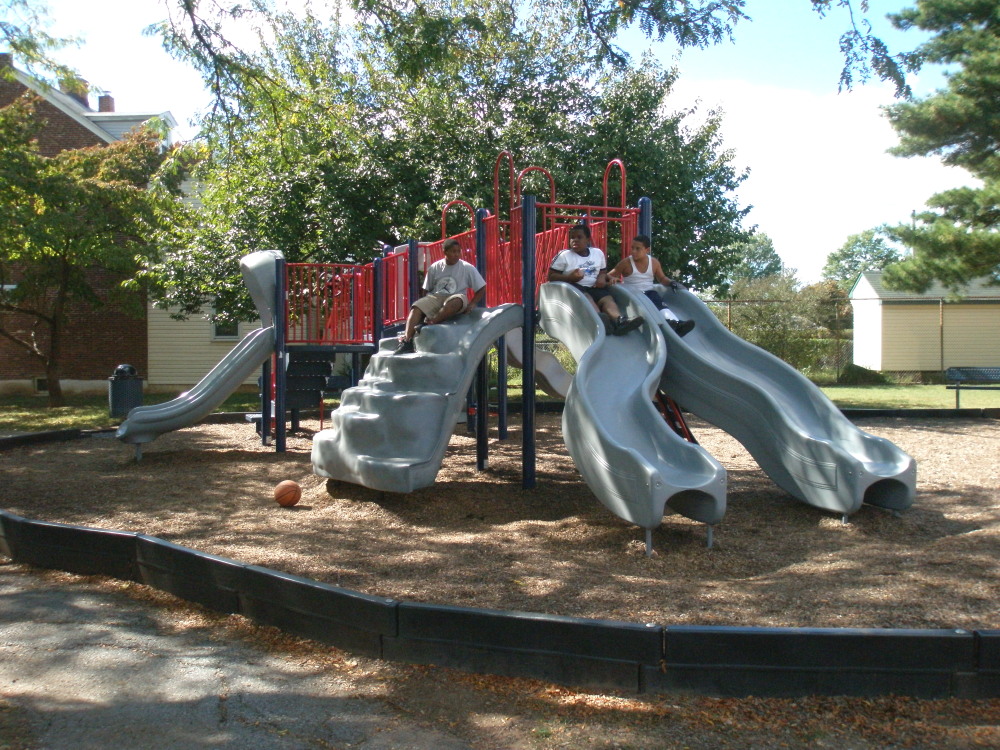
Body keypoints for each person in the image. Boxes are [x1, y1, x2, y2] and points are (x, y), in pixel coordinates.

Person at [547, 223, 642, 335]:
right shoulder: (565, 255)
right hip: (573, 286)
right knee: (587, 297)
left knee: (607, 299)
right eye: (572, 238)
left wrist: (601, 278)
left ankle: (619, 321)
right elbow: (551, 276)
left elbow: (602, 271)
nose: (575, 240)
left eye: (579, 237)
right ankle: (600, 320)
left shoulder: (597, 253)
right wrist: (570, 277)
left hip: (593, 286)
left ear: (588, 240)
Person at [395, 238, 487, 354]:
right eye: (453, 251)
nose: (456, 254)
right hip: (437, 296)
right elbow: (426, 289)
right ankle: (407, 341)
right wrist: (424, 306)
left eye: (458, 251)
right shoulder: (435, 267)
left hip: (457, 296)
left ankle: (431, 322)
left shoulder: (467, 267)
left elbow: (481, 287)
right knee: (416, 307)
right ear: (445, 252)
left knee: (455, 301)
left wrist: (473, 303)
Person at [608, 234, 695, 337]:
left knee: (659, 302)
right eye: (632, 248)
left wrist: (671, 282)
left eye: (638, 249)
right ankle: (669, 323)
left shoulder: (654, 262)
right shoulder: (626, 263)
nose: (633, 251)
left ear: (647, 250)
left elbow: (662, 278)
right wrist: (612, 278)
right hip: (633, 294)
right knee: (649, 302)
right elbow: (608, 275)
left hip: (649, 292)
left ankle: (675, 323)